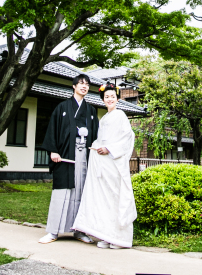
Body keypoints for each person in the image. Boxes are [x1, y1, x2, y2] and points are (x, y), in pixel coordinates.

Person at [72, 82, 137, 249]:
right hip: (104, 163)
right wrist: (97, 146)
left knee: (116, 198)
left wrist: (108, 148)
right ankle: (106, 235)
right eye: (106, 97)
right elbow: (101, 139)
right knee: (105, 200)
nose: (110, 99)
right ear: (103, 99)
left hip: (115, 163)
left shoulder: (120, 115)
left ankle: (120, 238)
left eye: (112, 97)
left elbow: (127, 138)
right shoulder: (104, 118)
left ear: (117, 99)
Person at [38, 73, 99, 244]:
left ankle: (79, 231)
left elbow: (96, 136)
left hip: (85, 157)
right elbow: (52, 130)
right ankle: (53, 232)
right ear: (73, 86)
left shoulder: (91, 111)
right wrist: (53, 151)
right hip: (65, 156)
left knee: (82, 193)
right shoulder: (62, 107)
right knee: (62, 192)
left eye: (87, 84)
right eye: (80, 83)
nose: (84, 86)